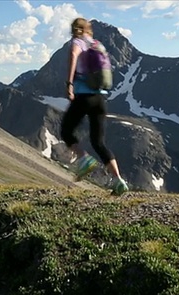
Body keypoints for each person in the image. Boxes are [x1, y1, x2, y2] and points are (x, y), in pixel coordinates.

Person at [61, 17, 128, 195]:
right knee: (98, 142)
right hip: (100, 97)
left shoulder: (77, 42)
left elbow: (74, 54)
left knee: (66, 131)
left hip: (84, 95)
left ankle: (84, 159)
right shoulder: (96, 44)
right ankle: (118, 180)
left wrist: (69, 83)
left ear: (76, 29)